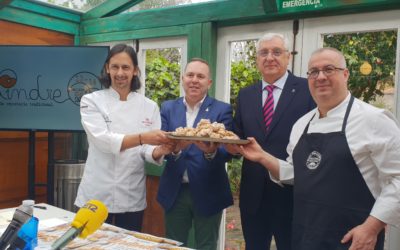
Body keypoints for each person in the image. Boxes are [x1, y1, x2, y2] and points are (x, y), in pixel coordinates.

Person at [236, 47, 400, 250]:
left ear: (345, 74)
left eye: (329, 69)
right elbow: (299, 174)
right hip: (306, 235)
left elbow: (397, 180)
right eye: (313, 72)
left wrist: (372, 227)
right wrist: (262, 157)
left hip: (353, 239)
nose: (320, 77)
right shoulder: (301, 125)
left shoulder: (374, 119)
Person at [226, 33, 315, 250]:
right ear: (257, 60)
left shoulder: (308, 90)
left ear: (288, 57)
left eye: (276, 52)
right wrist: (224, 144)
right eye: (263, 53)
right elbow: (238, 136)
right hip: (253, 196)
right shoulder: (246, 95)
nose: (269, 57)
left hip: (293, 195)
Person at [75, 44, 172, 231]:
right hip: (96, 194)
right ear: (107, 69)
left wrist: (163, 149)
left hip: (131, 196)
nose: (120, 73)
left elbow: (147, 151)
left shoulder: (149, 106)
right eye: (115, 67)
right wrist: (143, 137)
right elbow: (103, 141)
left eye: (126, 67)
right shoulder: (91, 101)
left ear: (135, 70)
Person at [157, 58, 233, 250]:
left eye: (201, 76)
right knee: (174, 245)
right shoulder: (168, 107)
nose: (194, 80)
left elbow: (227, 149)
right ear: (183, 79)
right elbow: (161, 145)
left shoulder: (222, 109)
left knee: (206, 245)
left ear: (209, 82)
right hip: (175, 191)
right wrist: (175, 148)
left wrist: (210, 153)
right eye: (190, 75)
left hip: (209, 189)